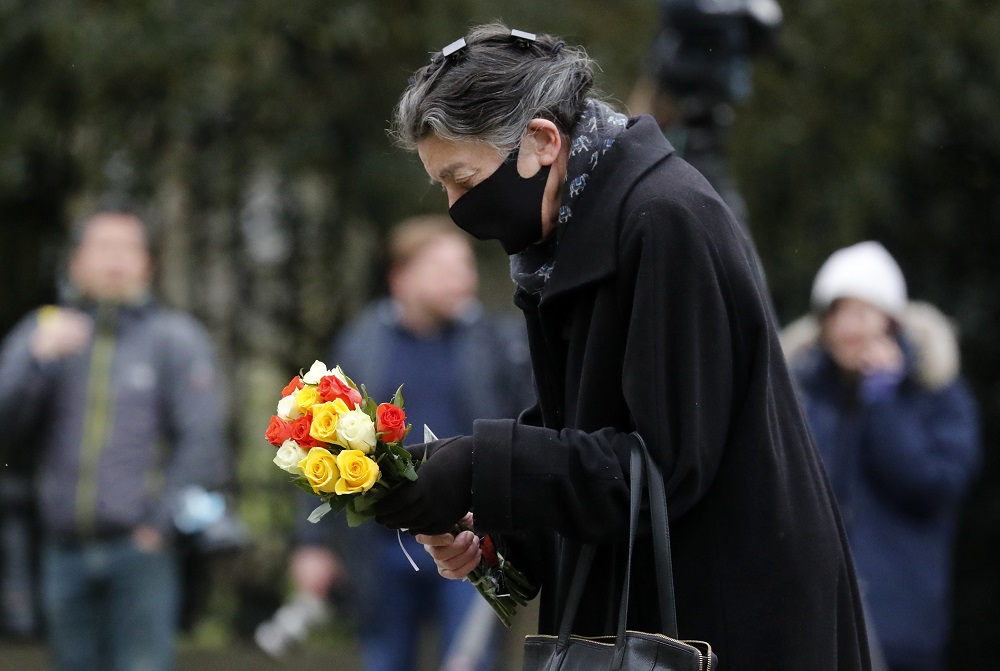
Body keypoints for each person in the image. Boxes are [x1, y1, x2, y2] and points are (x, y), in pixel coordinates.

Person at [369, 22, 874, 669]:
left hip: (733, 622)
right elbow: (587, 438)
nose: (455, 208)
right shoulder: (561, 243)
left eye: (463, 180)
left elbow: (663, 469)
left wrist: (480, 466)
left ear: (543, 141)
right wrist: (492, 529)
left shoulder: (663, 220)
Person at [283, 215, 533, 671]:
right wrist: (313, 542)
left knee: (468, 663)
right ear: (401, 277)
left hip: (471, 539)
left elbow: (526, 434)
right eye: (444, 269)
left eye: (465, 267)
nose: (463, 280)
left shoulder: (497, 343)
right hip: (381, 548)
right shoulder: (362, 343)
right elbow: (319, 443)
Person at [0, 211, 228, 671]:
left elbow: (203, 440)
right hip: (60, 549)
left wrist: (159, 526)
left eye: (128, 247)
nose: (114, 259)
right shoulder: (41, 334)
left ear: (148, 264)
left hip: (141, 551)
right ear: (74, 262)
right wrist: (36, 362)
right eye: (101, 247)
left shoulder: (174, 339)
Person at [781, 241, 980, 671]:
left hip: (901, 628)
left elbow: (933, 485)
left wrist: (883, 402)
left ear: (891, 321)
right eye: (840, 312)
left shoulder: (935, 391)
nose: (851, 327)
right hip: (812, 626)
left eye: (863, 312)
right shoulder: (797, 395)